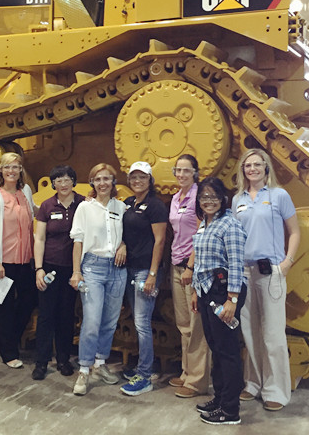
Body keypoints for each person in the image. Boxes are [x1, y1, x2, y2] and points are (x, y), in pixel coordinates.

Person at [232, 148, 300, 412]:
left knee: (272, 334)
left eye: (257, 164)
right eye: (248, 165)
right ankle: (253, 383)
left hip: (271, 272)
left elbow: (294, 231)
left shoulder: (278, 195)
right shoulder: (237, 199)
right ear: (243, 170)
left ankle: (276, 390)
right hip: (245, 272)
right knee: (249, 332)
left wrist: (287, 263)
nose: (252, 169)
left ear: (266, 167)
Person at [192, 176, 248, 425]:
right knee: (216, 347)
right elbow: (200, 262)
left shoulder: (230, 225)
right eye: (204, 196)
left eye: (214, 196)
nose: (209, 201)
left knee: (228, 351)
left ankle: (230, 410)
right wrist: (196, 291)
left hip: (225, 291)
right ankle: (220, 398)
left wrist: (232, 300)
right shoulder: (205, 223)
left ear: (223, 199)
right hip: (208, 291)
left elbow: (236, 264)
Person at [69, 163, 127, 396]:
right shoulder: (85, 207)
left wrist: (123, 245)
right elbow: (78, 241)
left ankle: (100, 364)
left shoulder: (121, 207)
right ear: (92, 182)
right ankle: (84, 369)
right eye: (98, 179)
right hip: (93, 267)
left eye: (107, 178)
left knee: (110, 322)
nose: (103, 183)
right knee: (92, 321)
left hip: (117, 269)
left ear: (113, 181)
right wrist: (76, 272)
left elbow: (125, 234)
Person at [0, 151, 37, 369]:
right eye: (7, 167)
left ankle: (11, 339)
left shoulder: (26, 191)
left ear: (21, 170)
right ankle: (8, 353)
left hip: (25, 260)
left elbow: (34, 212)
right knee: (5, 307)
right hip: (4, 263)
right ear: (1, 170)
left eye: (16, 167)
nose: (11, 171)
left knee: (28, 301)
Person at [31, 165, 84, 380]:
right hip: (50, 267)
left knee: (66, 314)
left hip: (73, 269)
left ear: (73, 181)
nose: (63, 184)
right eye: (58, 180)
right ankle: (41, 362)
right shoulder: (47, 205)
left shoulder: (83, 204)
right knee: (46, 315)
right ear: (53, 184)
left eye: (67, 179)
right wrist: (38, 269)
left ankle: (63, 359)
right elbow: (40, 239)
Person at [120, 161, 168, 396]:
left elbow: (160, 241)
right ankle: (142, 366)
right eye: (133, 177)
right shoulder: (129, 203)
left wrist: (152, 274)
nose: (137, 181)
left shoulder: (156, 206)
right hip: (130, 269)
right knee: (139, 320)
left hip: (145, 271)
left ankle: (145, 375)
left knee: (141, 322)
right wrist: (121, 245)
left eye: (142, 177)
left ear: (150, 180)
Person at [168, 154, 211, 398]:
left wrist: (191, 267)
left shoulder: (198, 197)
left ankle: (198, 381)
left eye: (187, 170)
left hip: (192, 267)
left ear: (195, 173)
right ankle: (186, 372)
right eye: (178, 170)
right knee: (184, 324)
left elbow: (201, 233)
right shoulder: (176, 198)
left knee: (197, 326)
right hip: (176, 264)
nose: (182, 174)